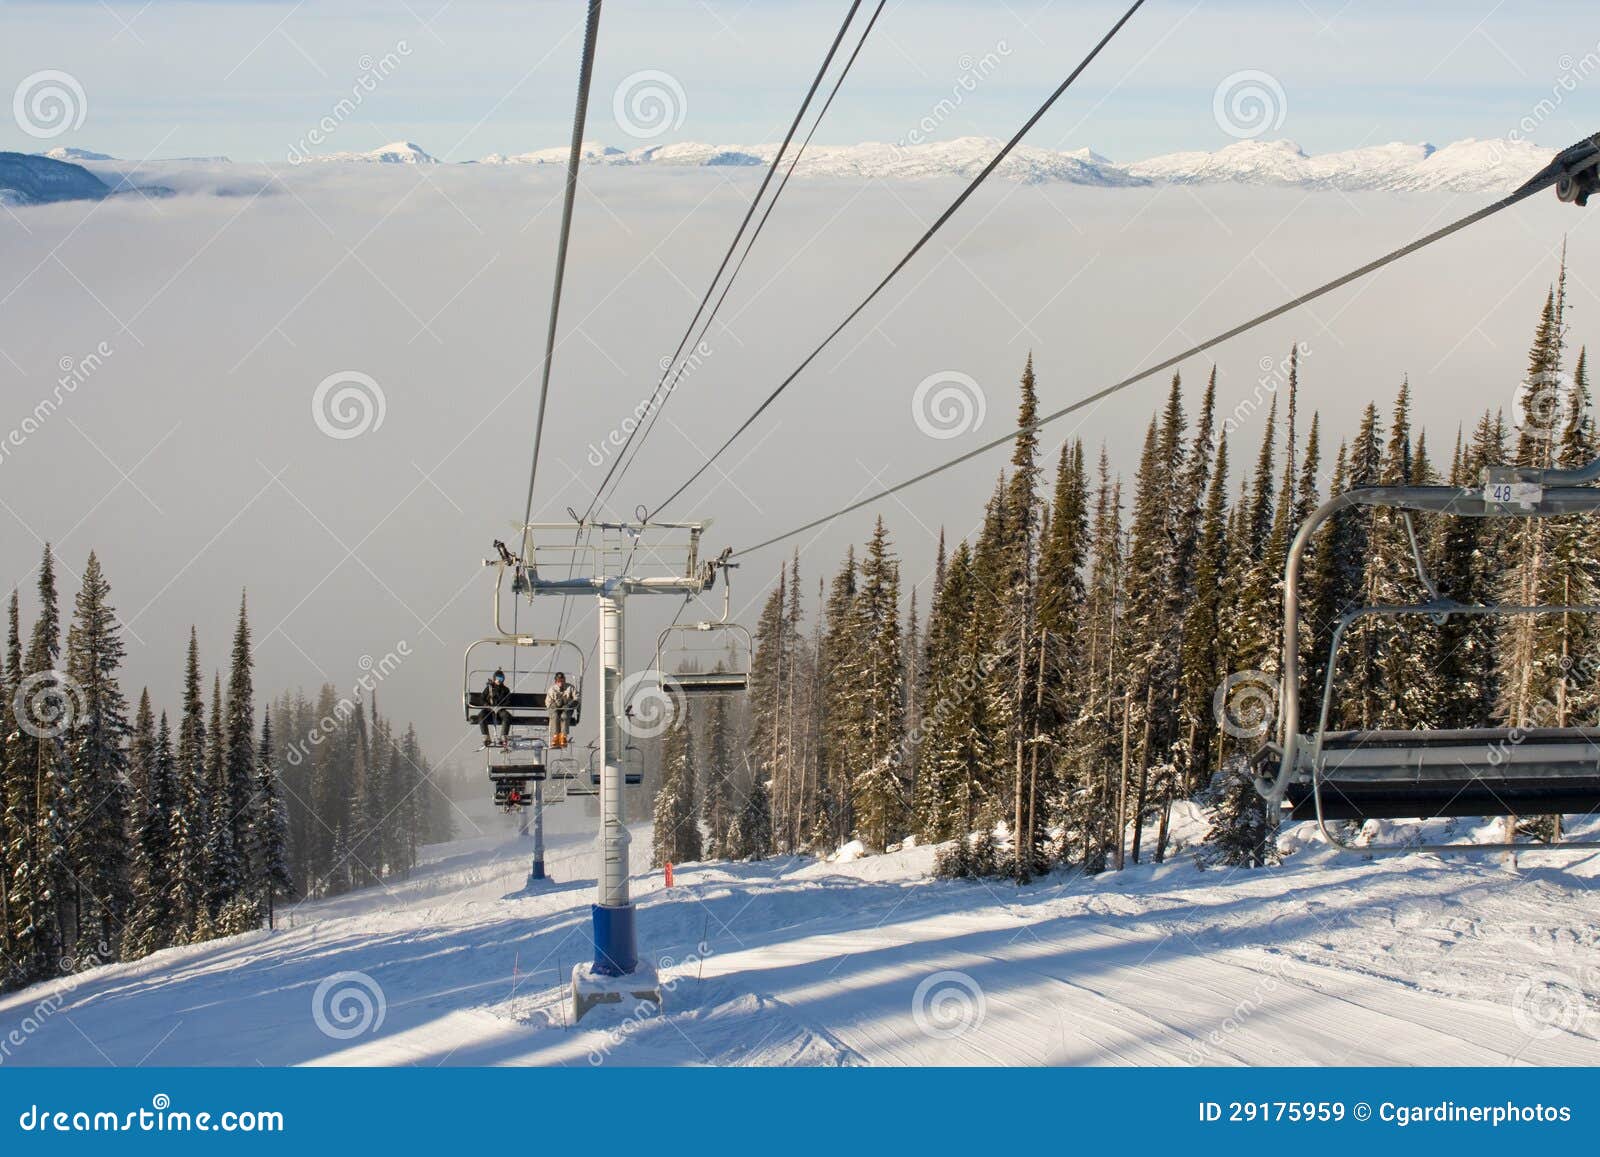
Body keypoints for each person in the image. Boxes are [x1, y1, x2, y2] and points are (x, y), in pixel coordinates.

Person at [478, 668, 514, 747]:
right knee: (481, 715)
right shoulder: (489, 688)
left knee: (507, 716)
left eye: (501, 679)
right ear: (494, 678)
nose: (499, 680)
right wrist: (487, 706)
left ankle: (503, 736)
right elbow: (482, 698)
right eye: (497, 678)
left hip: (500, 710)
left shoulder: (505, 690)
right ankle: (486, 737)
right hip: (489, 710)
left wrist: (501, 707)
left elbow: (508, 701)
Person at [546, 671, 577, 748]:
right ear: (556, 681)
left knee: (564, 716)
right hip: (556, 709)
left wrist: (570, 704)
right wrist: (554, 705)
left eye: (562, 681)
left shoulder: (570, 688)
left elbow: (577, 698)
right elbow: (548, 702)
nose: (561, 683)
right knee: (555, 716)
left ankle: (563, 736)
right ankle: (556, 736)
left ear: (564, 680)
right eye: (559, 681)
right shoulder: (552, 689)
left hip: (567, 709)